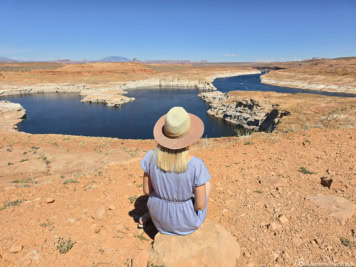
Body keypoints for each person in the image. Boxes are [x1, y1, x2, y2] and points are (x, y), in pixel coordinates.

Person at [139, 106, 212, 235]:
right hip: (187, 224)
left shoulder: (150, 157)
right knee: (207, 184)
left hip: (159, 219)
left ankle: (149, 215)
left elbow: (146, 191)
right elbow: (200, 205)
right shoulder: (196, 165)